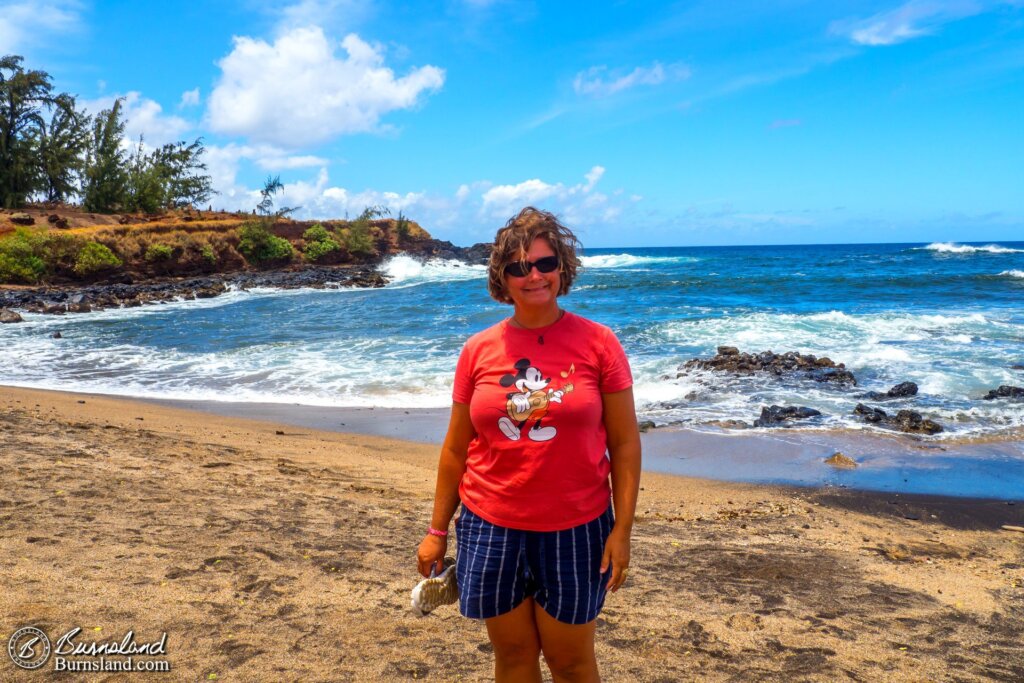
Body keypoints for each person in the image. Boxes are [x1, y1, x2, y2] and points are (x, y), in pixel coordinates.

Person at [416, 207, 641, 682]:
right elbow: (457, 448)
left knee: (571, 661)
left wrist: (621, 531)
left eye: (545, 263)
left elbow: (624, 444)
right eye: (519, 267)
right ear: (502, 277)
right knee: (514, 655)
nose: (534, 275)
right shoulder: (478, 349)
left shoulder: (600, 344)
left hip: (578, 529)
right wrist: (437, 531)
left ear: (562, 268)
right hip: (490, 525)